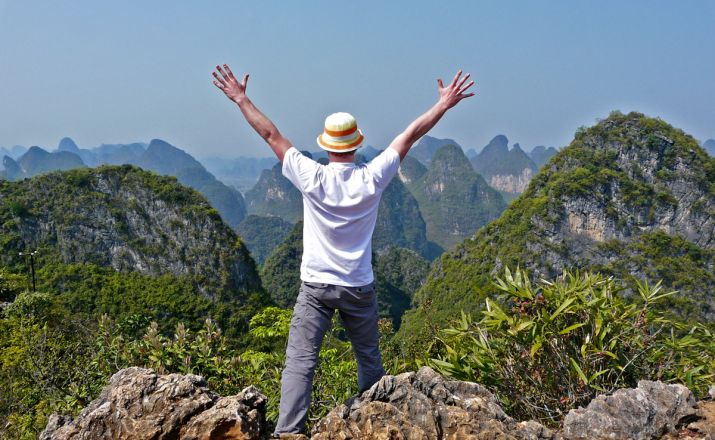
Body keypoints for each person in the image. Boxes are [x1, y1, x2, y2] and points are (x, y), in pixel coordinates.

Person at [212, 64, 475, 436]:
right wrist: (443, 104)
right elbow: (409, 136)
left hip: (316, 288)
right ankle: (375, 424)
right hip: (358, 287)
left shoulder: (310, 175)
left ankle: (289, 433)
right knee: (369, 360)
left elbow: (271, 134)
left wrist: (241, 99)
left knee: (300, 363)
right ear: (355, 144)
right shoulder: (372, 177)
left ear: (326, 145)